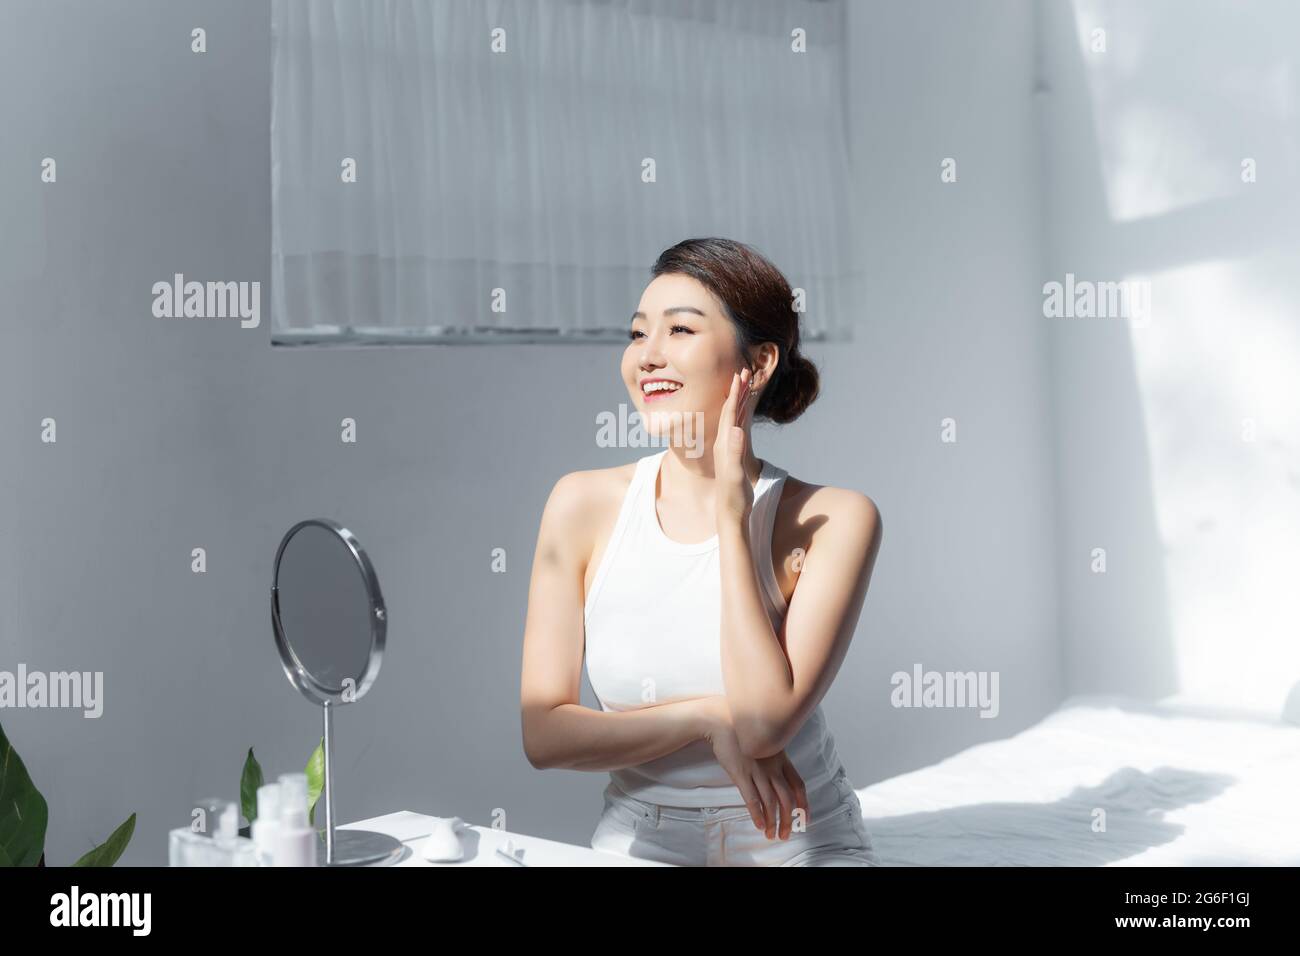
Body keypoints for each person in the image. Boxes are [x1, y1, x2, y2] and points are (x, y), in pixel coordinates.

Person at [521, 237, 883, 865]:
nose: (648, 357)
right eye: (638, 335)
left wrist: (733, 518)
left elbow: (765, 724)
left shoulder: (835, 519)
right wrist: (704, 720)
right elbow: (544, 732)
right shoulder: (579, 505)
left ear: (760, 363)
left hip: (794, 837)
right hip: (643, 834)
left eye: (680, 329)